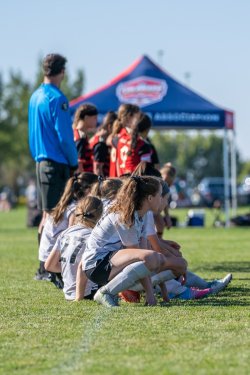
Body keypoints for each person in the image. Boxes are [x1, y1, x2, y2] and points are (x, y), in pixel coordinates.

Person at [79, 176, 187, 307]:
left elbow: (143, 255)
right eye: (159, 195)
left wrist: (158, 292)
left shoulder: (140, 215)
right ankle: (105, 292)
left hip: (111, 262)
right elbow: (141, 257)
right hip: (96, 266)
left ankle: (124, 291)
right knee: (154, 258)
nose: (162, 199)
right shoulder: (126, 216)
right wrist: (150, 293)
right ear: (150, 198)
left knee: (180, 264)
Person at [28, 53, 78, 277]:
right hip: (56, 162)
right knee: (55, 216)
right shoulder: (58, 99)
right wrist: (74, 161)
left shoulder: (34, 96)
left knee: (48, 214)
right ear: (62, 72)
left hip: (41, 161)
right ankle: (46, 268)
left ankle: (44, 267)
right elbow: (65, 137)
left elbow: (32, 133)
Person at [37, 172, 98, 284]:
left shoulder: (65, 204)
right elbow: (72, 237)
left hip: (46, 260)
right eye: (96, 189)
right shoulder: (75, 209)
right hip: (54, 264)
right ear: (88, 190)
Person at [45, 196, 103, 301]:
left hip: (68, 294)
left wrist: (70, 269)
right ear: (100, 215)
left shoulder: (65, 233)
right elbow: (83, 267)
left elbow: (49, 265)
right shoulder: (93, 237)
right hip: (87, 293)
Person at [108, 104, 140, 177]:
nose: (140, 120)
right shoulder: (125, 137)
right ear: (129, 117)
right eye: (138, 116)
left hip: (116, 179)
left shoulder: (117, 135)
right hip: (121, 180)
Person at [89, 111, 117, 177]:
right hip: (98, 181)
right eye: (116, 128)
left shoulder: (96, 136)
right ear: (110, 127)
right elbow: (97, 169)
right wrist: (102, 185)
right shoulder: (101, 143)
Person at [72, 104, 98, 173]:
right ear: (86, 118)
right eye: (94, 118)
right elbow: (79, 163)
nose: (96, 121)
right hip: (84, 179)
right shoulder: (81, 136)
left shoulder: (75, 132)